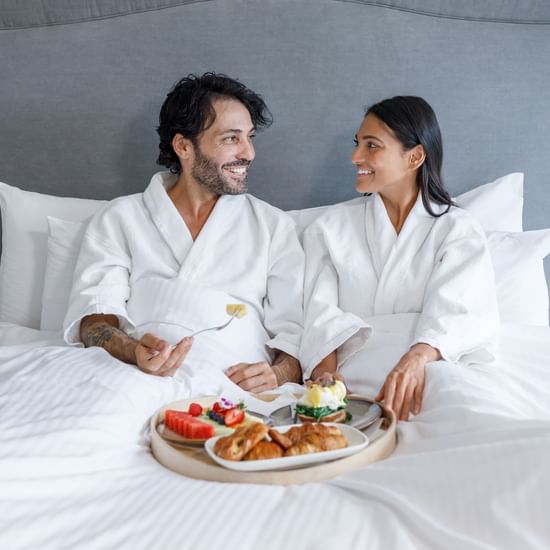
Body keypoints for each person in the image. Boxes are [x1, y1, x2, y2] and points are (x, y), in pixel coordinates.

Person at [63, 73, 303, 392]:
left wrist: (277, 374)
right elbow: (95, 320)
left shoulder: (273, 226)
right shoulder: (121, 217)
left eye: (250, 137)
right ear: (183, 146)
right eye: (232, 138)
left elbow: (295, 332)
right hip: (133, 378)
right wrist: (133, 351)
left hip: (232, 386)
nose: (248, 153)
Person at [299, 96, 499, 420]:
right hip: (352, 378)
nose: (355, 157)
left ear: (415, 156)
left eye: (372, 146)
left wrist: (416, 359)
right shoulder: (330, 228)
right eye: (357, 144)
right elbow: (318, 311)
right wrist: (326, 379)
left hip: (430, 368)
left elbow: (461, 312)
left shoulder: (456, 229)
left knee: (469, 416)